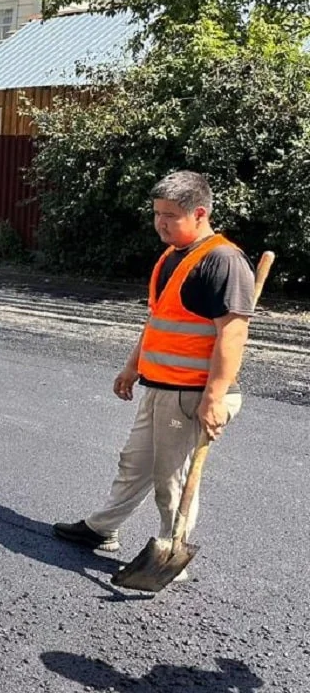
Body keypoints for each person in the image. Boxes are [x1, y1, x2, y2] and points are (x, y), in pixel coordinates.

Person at [53, 171, 257, 576]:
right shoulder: (172, 256)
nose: (160, 223)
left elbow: (232, 334)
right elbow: (158, 321)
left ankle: (171, 554)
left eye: (170, 215)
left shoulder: (223, 261)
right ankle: (102, 528)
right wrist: (133, 366)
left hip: (191, 394)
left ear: (200, 214)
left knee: (171, 482)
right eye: (157, 214)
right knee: (136, 463)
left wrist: (214, 398)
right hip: (161, 387)